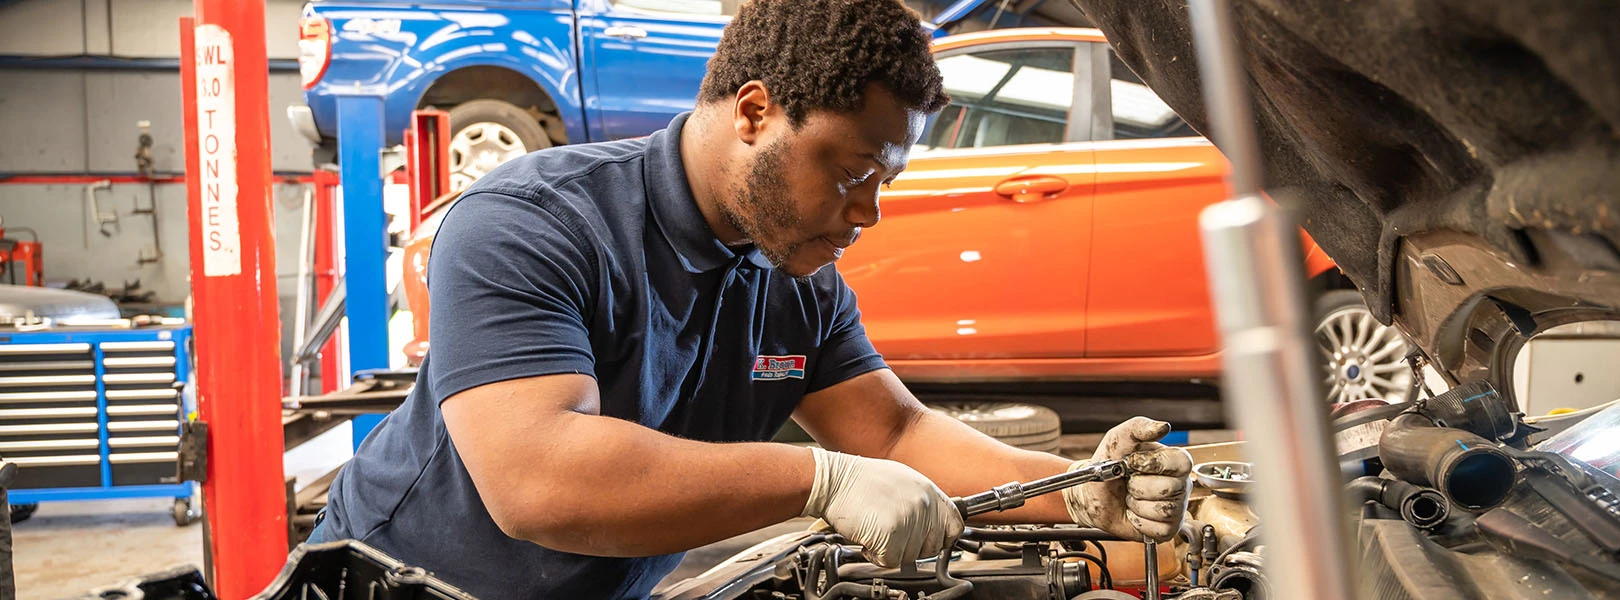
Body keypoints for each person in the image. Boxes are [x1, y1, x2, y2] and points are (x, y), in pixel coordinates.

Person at [308, 1, 1194, 597]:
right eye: (851, 173)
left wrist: (1078, 492)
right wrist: (818, 479)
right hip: (397, 582)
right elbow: (539, 479)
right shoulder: (530, 222)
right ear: (756, 112)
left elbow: (892, 433)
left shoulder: (795, 278)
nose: (868, 214)